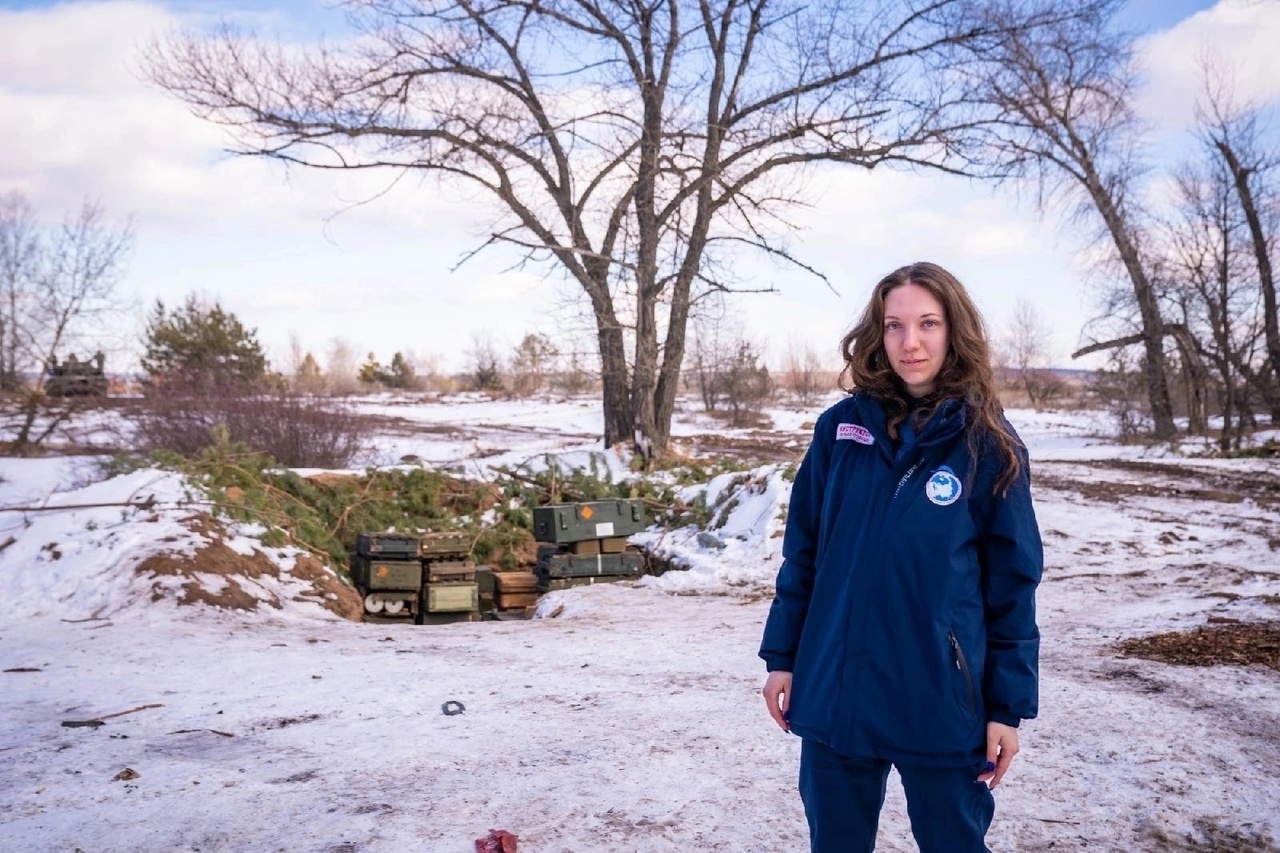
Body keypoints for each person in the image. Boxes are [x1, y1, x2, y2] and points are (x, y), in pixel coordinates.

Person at [759, 261, 1043, 853]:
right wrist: (783, 657)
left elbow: (1013, 585)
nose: (909, 342)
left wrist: (1006, 709)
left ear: (953, 332)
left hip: (939, 698)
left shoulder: (986, 443)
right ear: (877, 334)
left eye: (927, 323)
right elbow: (803, 553)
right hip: (839, 689)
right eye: (894, 326)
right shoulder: (839, 431)